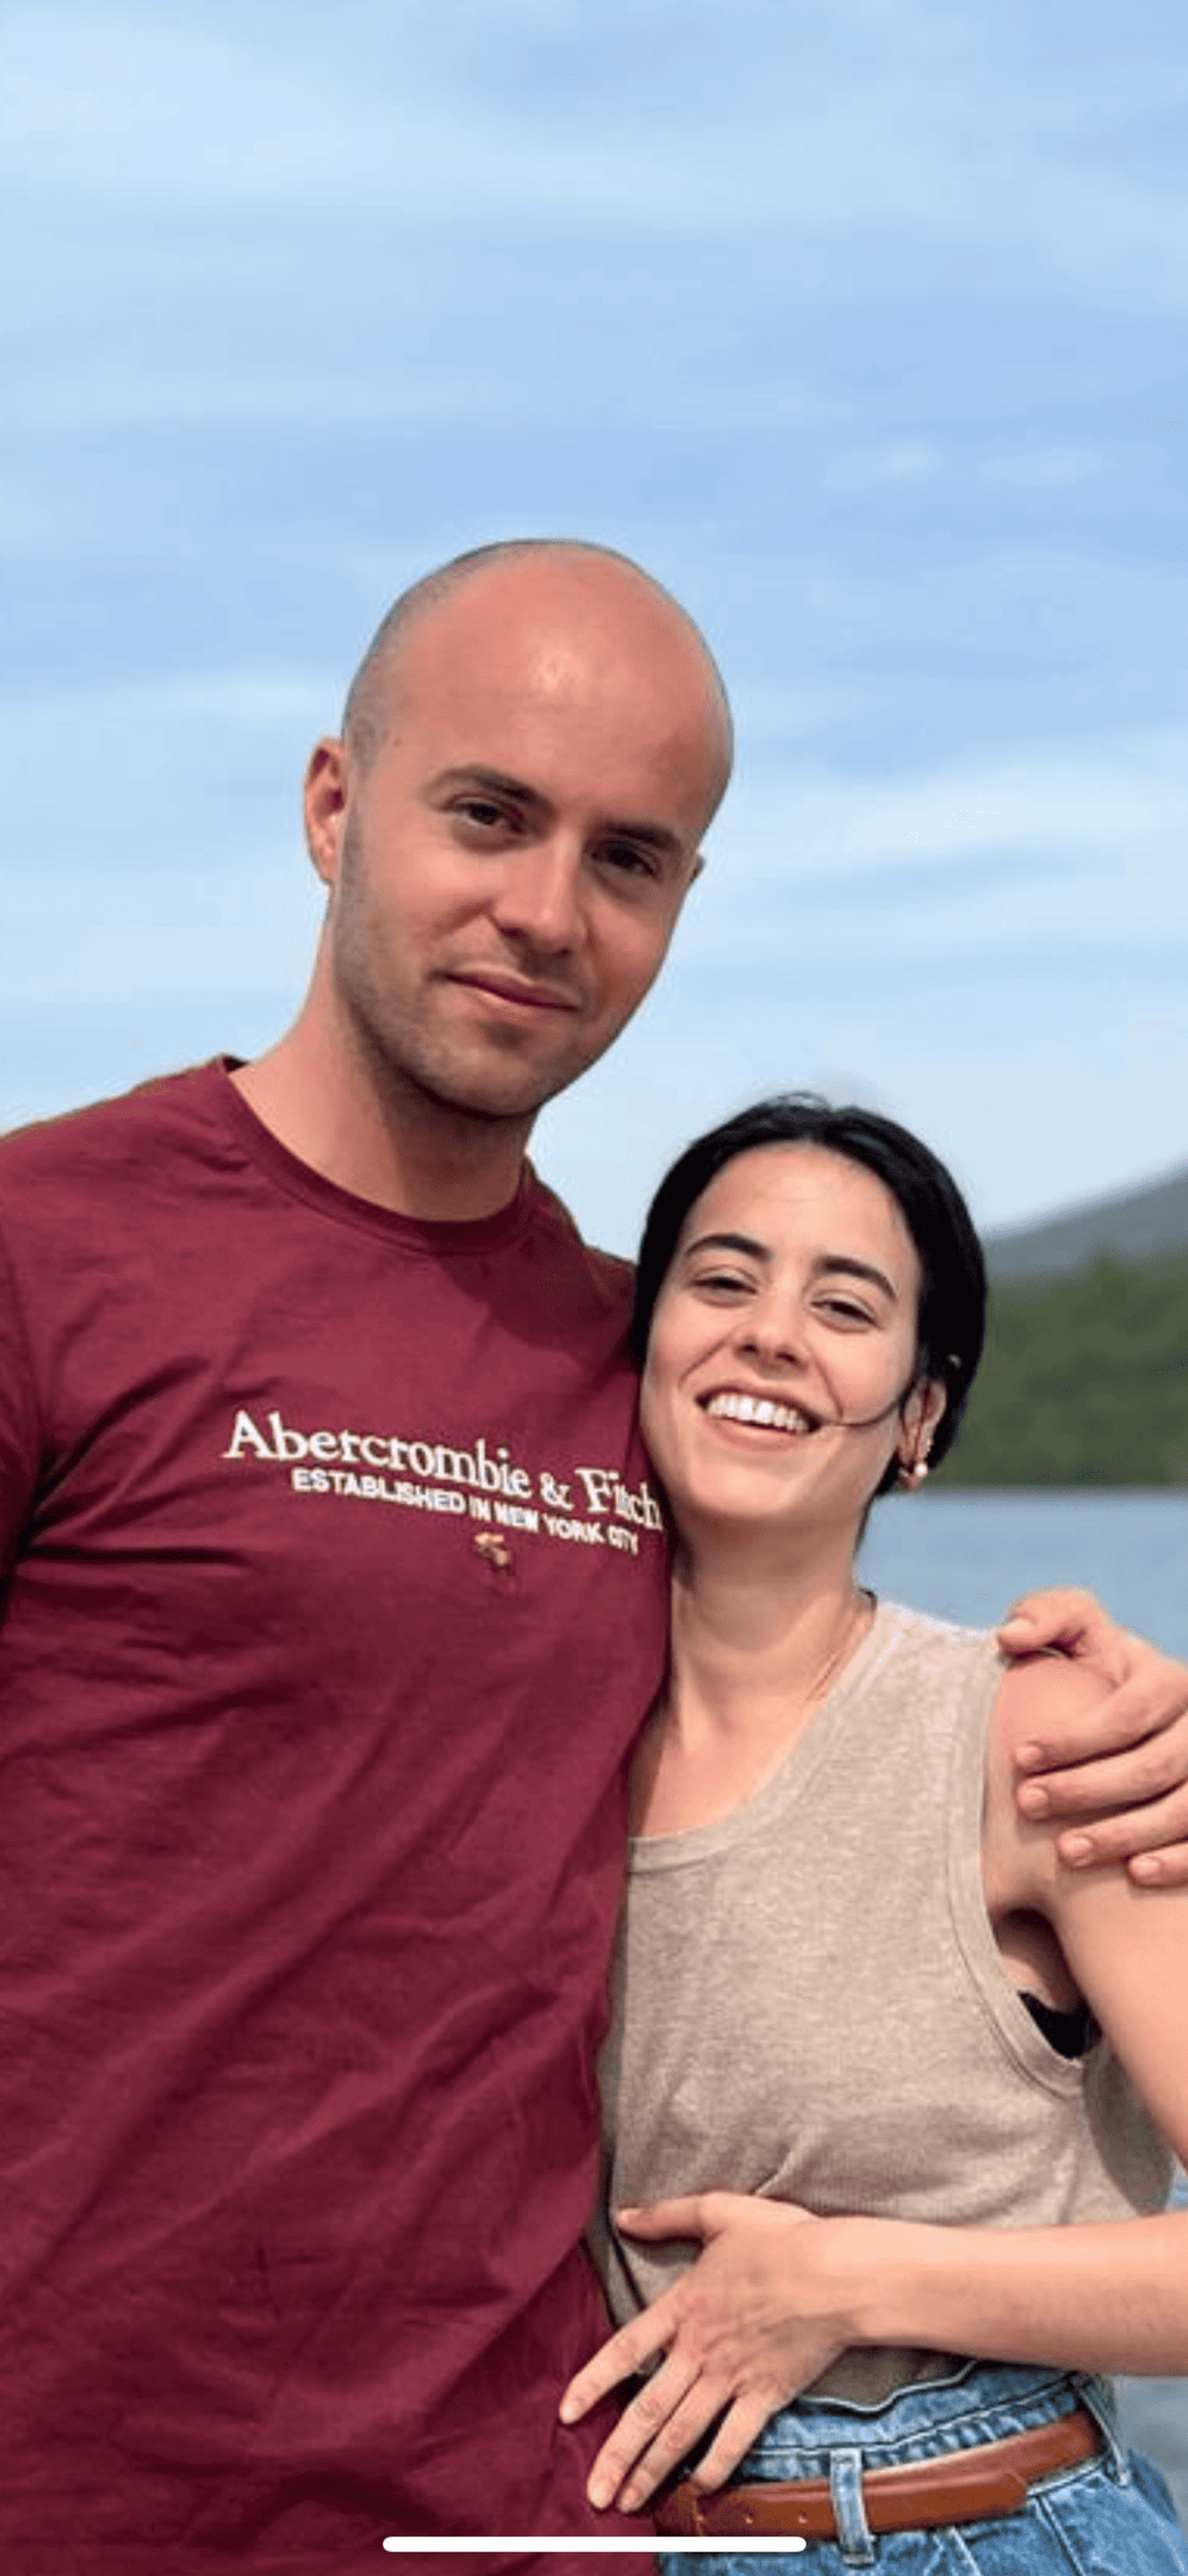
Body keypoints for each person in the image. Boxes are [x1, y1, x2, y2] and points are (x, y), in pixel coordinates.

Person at [1, 543, 1186, 2570]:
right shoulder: (54, 1252)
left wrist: (1117, 1700)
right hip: (84, 2487)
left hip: (540, 2512)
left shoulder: (632, 1364)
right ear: (332, 804)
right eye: (489, 814)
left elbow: (817, 1664)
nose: (548, 910)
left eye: (629, 857)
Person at [561, 1095, 1188, 2570]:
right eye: (723, 1280)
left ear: (917, 1417)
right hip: (638, 2528)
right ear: (643, 1347)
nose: (772, 1332)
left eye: (845, 1304)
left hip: (972, 2520)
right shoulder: (537, 1741)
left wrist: (849, 2279)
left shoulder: (1032, 1733)